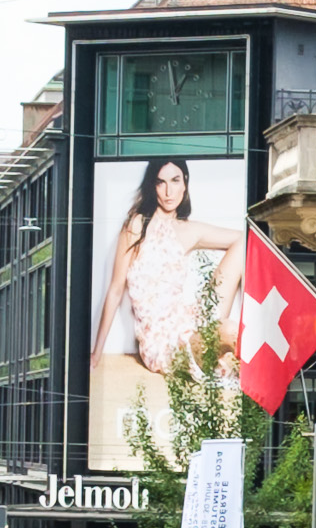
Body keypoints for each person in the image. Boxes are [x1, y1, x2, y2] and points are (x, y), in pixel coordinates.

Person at [94, 158, 243, 377]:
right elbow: (116, 289)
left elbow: (242, 240)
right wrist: (97, 352)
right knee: (231, 331)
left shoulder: (187, 230)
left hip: (192, 318)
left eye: (175, 181)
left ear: (185, 183)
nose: (168, 191)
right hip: (163, 343)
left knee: (245, 243)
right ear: (152, 187)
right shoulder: (137, 225)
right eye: (160, 182)